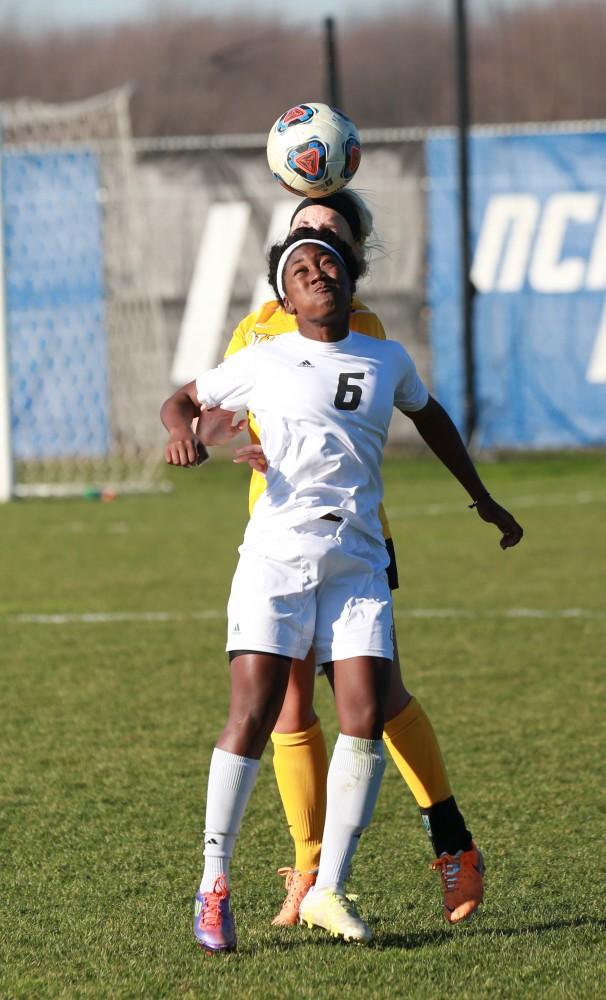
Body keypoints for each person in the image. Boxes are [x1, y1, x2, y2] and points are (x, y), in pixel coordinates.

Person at [164, 226, 523, 952]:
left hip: (358, 559)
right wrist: (186, 433)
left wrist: (482, 497)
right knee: (256, 712)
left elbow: (434, 420)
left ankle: (327, 887)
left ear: (350, 280)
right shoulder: (261, 356)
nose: (316, 271)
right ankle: (213, 885)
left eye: (327, 261)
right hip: (278, 556)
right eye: (299, 268)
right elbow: (185, 400)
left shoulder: (386, 356)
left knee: (363, 714)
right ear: (284, 298)